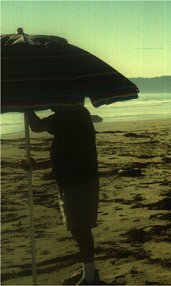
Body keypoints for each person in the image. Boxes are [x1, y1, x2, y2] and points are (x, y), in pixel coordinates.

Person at [25, 107, 103, 285]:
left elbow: (36, 126)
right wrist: (37, 166)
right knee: (78, 228)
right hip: (74, 180)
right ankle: (88, 270)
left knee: (80, 228)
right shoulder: (76, 115)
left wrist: (27, 107)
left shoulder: (70, 115)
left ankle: (90, 277)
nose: (50, 103)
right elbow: (65, 154)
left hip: (78, 182)